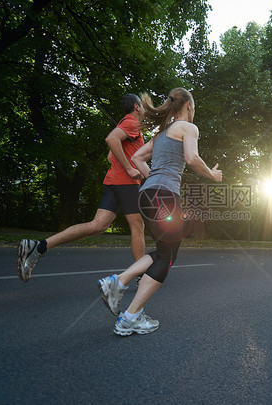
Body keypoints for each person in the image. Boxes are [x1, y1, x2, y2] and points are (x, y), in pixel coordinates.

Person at [97, 87, 222, 336]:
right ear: (188, 105)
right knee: (167, 257)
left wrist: (153, 179)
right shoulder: (188, 128)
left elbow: (138, 159)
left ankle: (118, 283)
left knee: (163, 252)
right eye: (193, 106)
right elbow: (192, 158)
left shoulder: (163, 133)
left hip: (147, 195)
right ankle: (129, 316)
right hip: (164, 197)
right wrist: (212, 174)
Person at [17, 94, 146, 282]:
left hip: (114, 181)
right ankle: (141, 274)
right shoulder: (132, 123)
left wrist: (127, 164)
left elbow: (111, 156)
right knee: (138, 226)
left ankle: (38, 247)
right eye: (142, 106)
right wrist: (129, 168)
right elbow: (111, 140)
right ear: (136, 106)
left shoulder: (124, 124)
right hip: (126, 182)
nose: (144, 109)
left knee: (98, 225)